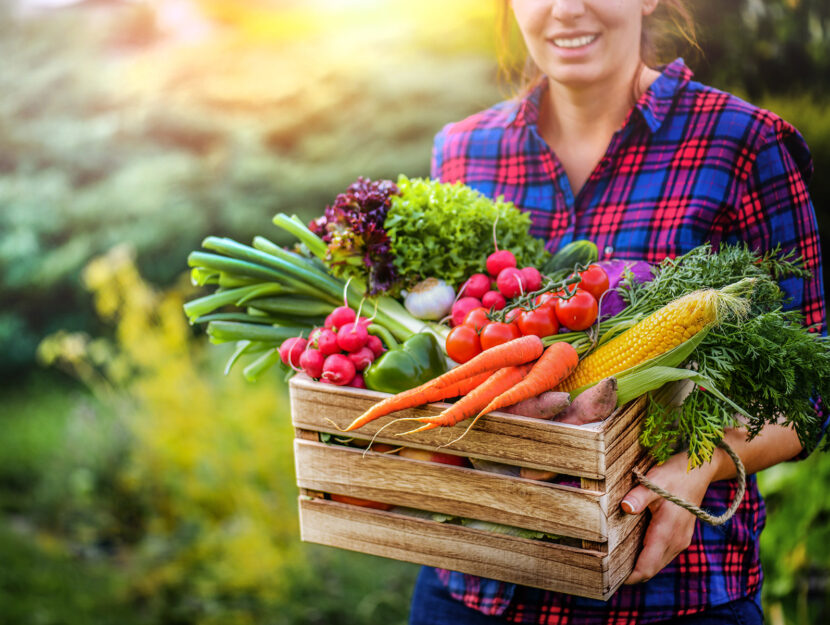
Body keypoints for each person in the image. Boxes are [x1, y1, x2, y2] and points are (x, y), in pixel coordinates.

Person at [409, 1, 827, 624]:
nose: (567, 9)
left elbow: (812, 392)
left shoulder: (743, 144)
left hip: (669, 595)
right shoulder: (466, 150)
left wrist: (699, 464)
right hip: (475, 588)